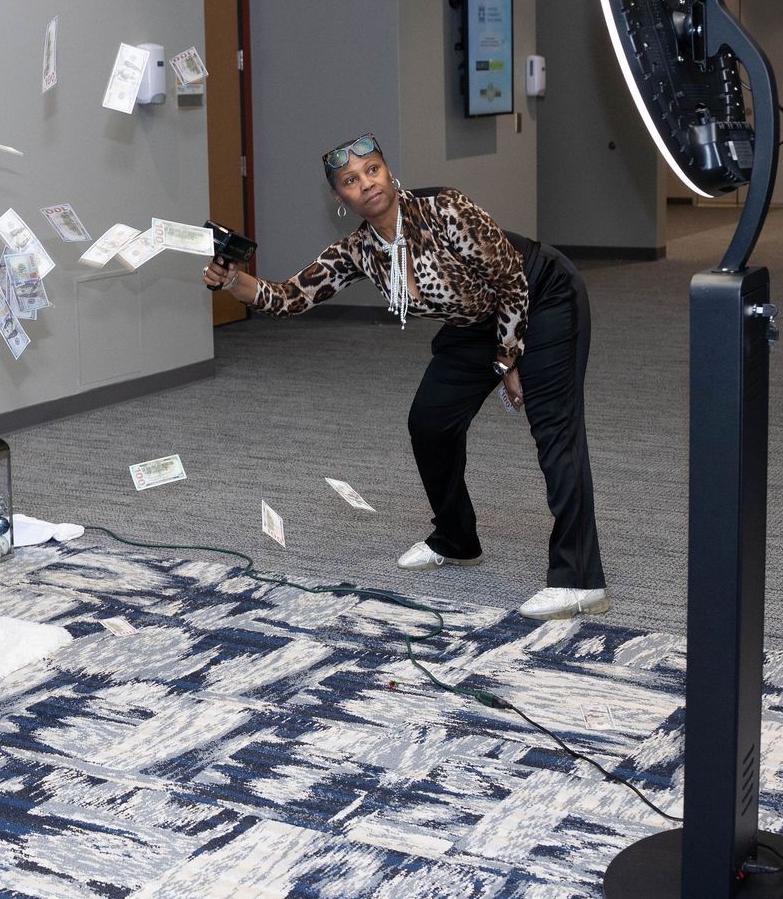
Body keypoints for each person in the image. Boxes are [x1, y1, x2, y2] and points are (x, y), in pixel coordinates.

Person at [203, 132, 609, 622]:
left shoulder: (445, 210)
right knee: (430, 422)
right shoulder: (359, 250)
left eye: (372, 169)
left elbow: (510, 280)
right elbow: (290, 297)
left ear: (389, 172)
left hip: (541, 295)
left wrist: (508, 360)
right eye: (350, 180)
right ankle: (456, 540)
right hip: (473, 322)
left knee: (554, 429)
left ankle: (579, 579)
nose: (366, 183)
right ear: (339, 197)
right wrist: (233, 281)